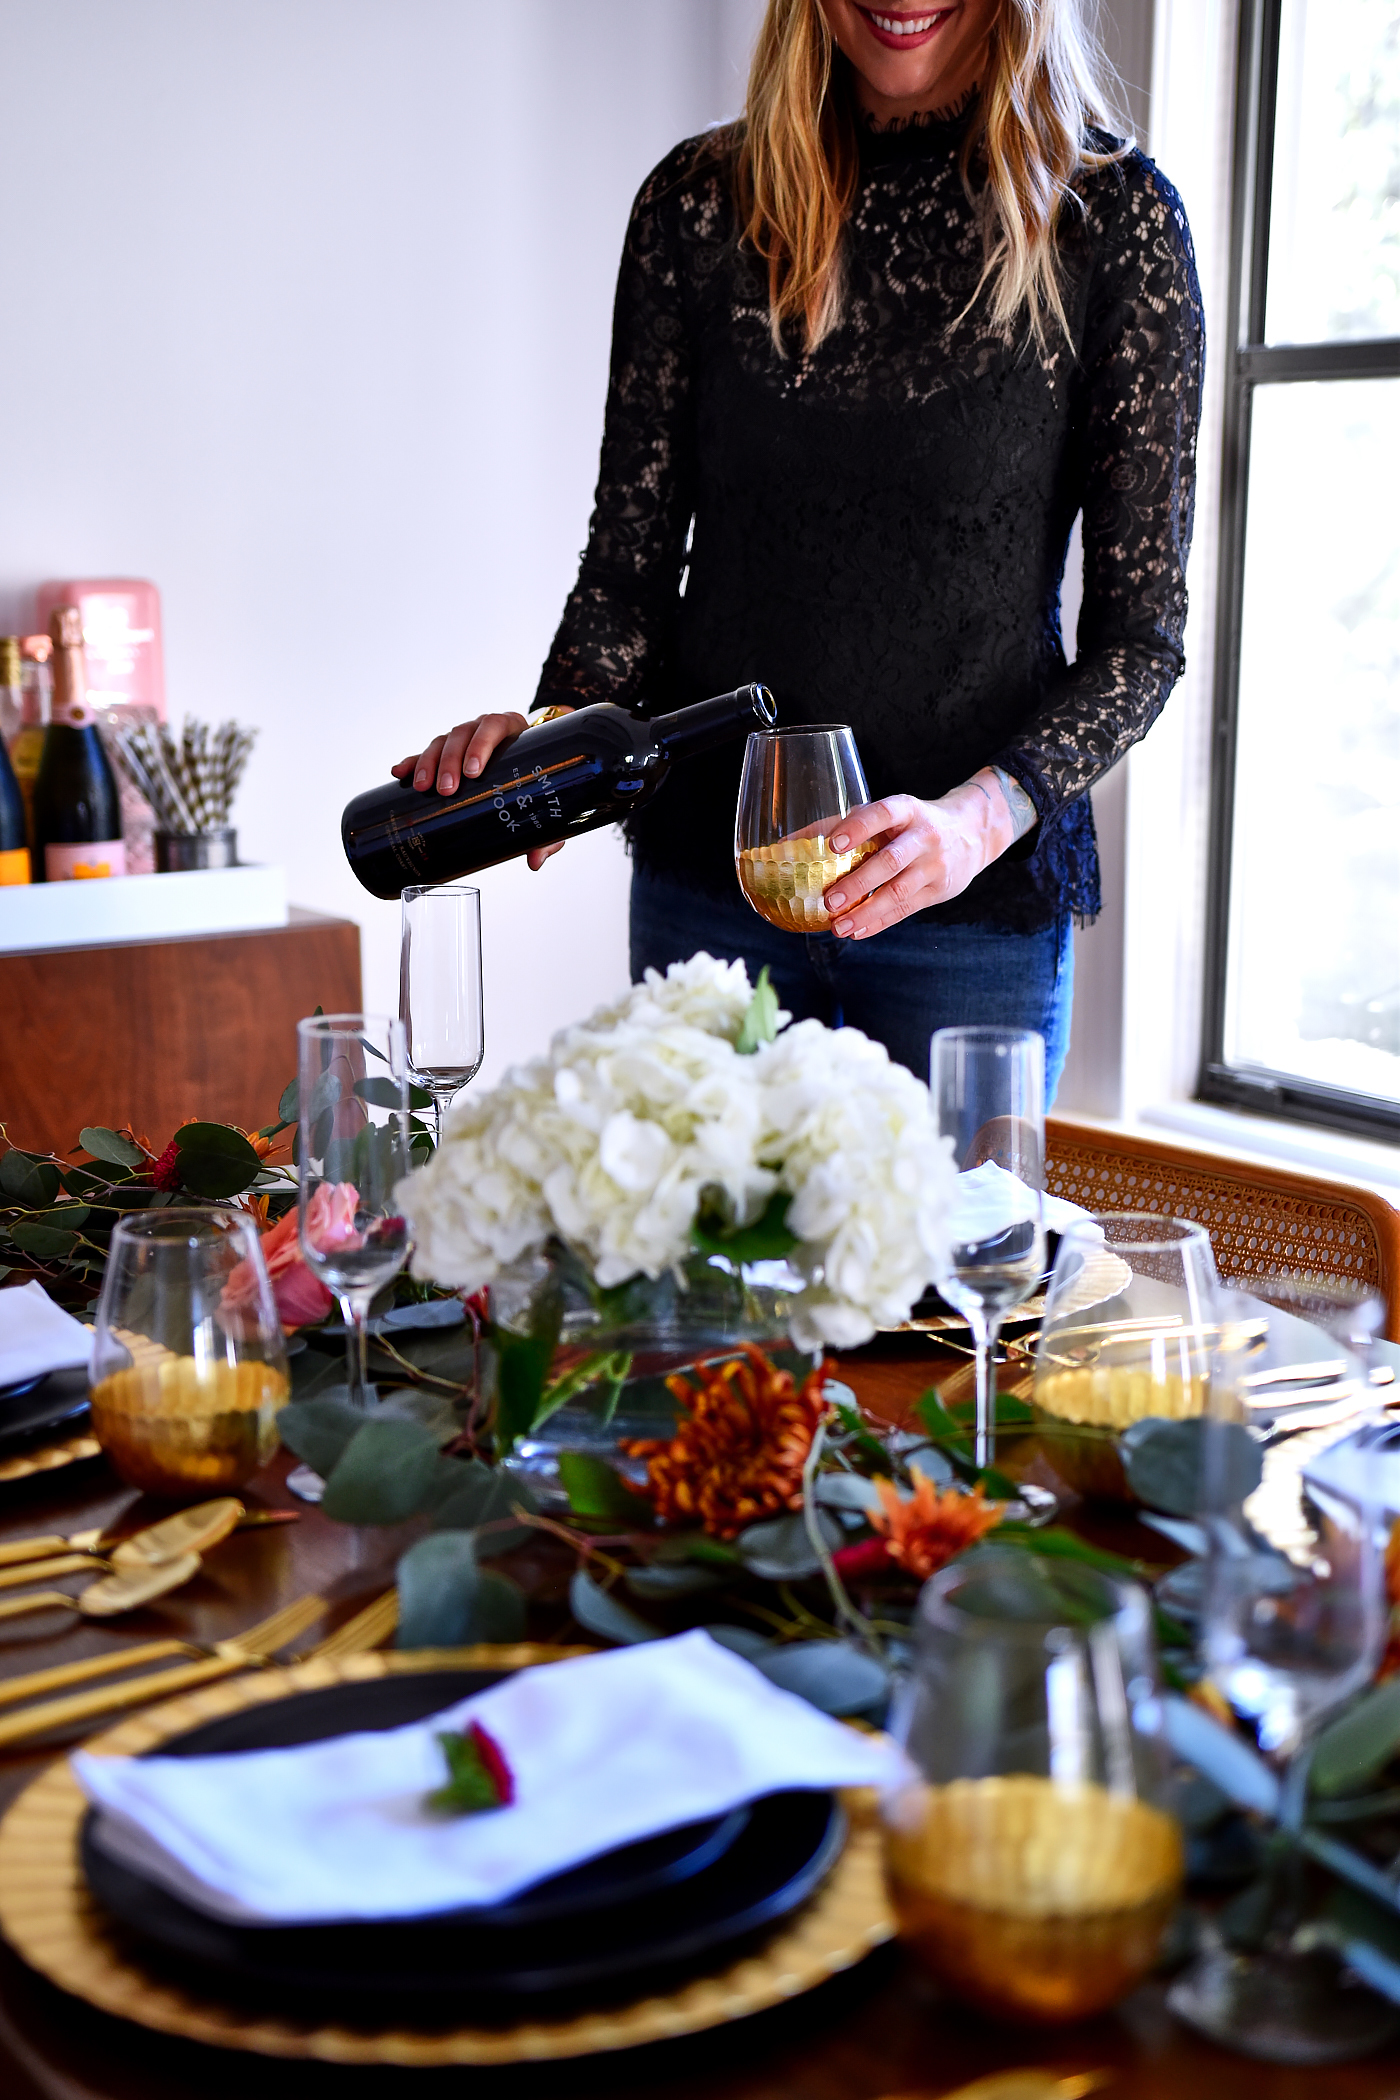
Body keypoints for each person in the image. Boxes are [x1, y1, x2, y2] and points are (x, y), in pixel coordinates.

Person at [396, 0, 1203, 1097]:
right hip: (708, 897)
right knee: (697, 1269)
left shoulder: (1111, 222)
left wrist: (975, 822)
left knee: (951, 1270)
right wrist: (548, 739)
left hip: (965, 924)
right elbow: (627, 570)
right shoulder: (694, 207)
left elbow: (1140, 644)